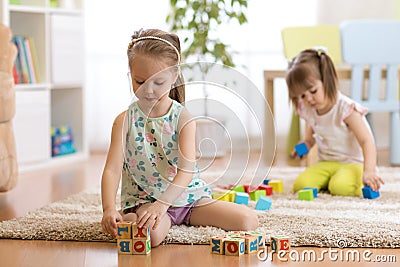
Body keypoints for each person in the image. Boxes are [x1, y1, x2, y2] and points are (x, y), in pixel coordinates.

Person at [101, 28, 258, 247]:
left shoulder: (183, 118)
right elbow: (112, 169)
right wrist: (108, 209)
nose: (148, 91)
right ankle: (128, 218)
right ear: (130, 74)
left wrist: (164, 204)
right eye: (139, 81)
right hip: (146, 201)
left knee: (248, 220)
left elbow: (186, 169)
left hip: (189, 200)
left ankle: (150, 219)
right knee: (151, 237)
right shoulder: (124, 120)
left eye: (158, 83)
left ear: (174, 76)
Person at [286, 48, 384, 197]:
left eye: (313, 91)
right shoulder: (308, 109)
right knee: (301, 185)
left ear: (327, 80)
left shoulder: (346, 109)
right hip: (326, 162)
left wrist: (369, 171)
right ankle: (331, 181)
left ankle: (343, 181)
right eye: (302, 96)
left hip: (353, 164)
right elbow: (310, 138)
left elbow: (366, 141)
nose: (308, 99)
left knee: (340, 188)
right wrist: (305, 145)